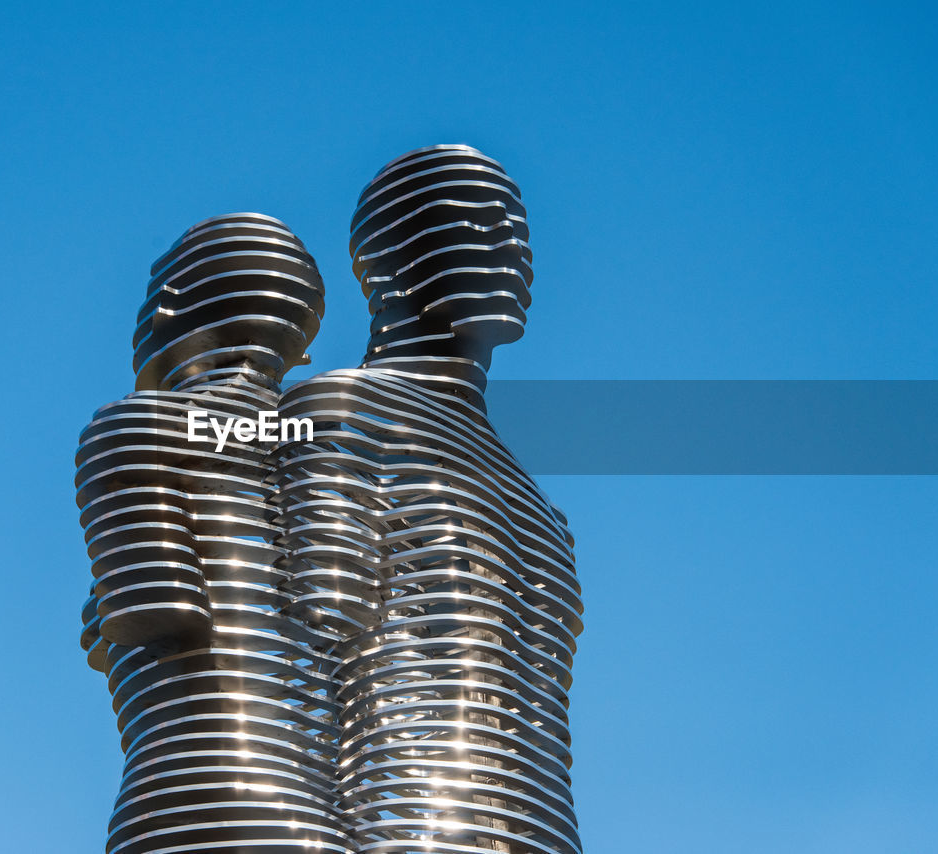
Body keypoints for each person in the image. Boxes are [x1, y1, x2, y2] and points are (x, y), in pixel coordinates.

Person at [275, 145, 584, 854]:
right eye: (474, 223)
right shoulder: (344, 415)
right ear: (384, 262)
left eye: (515, 231)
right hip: (401, 834)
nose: (509, 250)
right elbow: (297, 667)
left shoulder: (539, 509)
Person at [76, 213, 348, 854]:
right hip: (329, 817)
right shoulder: (332, 452)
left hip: (198, 801)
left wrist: (107, 621)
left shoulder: (137, 431)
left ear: (165, 307)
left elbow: (162, 612)